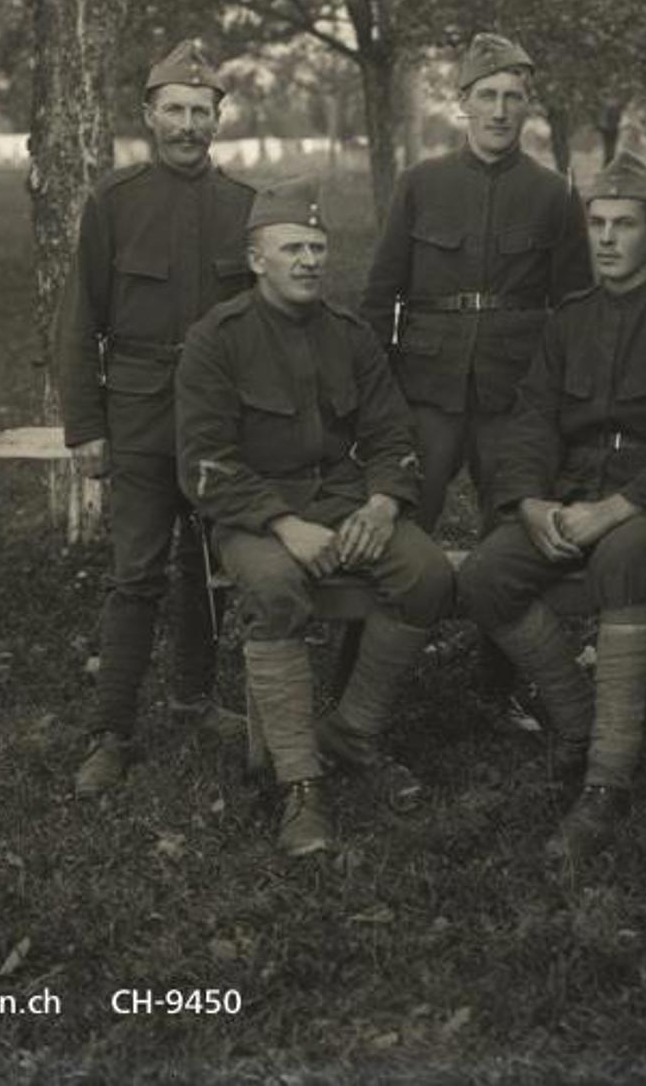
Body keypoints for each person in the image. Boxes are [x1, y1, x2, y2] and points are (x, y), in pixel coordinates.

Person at [457, 151, 646, 859]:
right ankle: (580, 722)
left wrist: (614, 510)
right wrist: (530, 503)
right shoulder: (568, 322)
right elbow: (531, 420)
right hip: (570, 497)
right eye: (598, 224)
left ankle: (608, 781)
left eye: (626, 224)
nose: (609, 239)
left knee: (621, 559)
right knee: (485, 575)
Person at [177, 177, 455, 858]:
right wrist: (282, 524)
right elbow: (205, 461)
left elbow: (391, 433)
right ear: (256, 260)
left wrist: (383, 503)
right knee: (276, 589)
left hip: (342, 498)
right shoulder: (217, 339)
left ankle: (351, 731)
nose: (309, 261)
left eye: (317, 247)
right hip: (252, 511)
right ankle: (300, 783)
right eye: (292, 248)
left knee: (426, 574)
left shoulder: (349, 335)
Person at [358, 32, 591, 720]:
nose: (499, 110)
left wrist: (556, 401)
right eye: (486, 96)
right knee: (398, 522)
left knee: (507, 534)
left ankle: (499, 685)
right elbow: (381, 295)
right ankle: (360, 679)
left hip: (512, 394)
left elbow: (575, 309)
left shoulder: (552, 194)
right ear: (462, 103)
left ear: (527, 107)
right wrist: (378, 392)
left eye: (513, 98)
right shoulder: (421, 184)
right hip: (426, 388)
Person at [57, 39, 257, 797]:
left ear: (218, 120)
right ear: (148, 115)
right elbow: (79, 321)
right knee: (135, 572)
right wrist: (86, 427)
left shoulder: (243, 207)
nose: (187, 126)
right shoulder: (114, 202)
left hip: (218, 420)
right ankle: (112, 731)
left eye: (201, 112)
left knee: (207, 564)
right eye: (174, 110)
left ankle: (194, 698)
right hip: (139, 414)